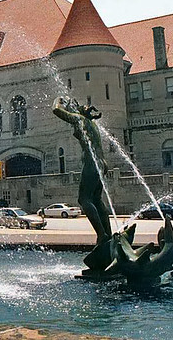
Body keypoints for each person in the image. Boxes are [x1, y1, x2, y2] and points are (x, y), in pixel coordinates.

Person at [52, 97, 112, 244]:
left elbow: (56, 110)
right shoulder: (92, 124)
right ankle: (108, 235)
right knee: (96, 199)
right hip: (102, 163)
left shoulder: (80, 119)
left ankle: (101, 235)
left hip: (92, 163)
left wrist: (58, 100)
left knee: (84, 199)